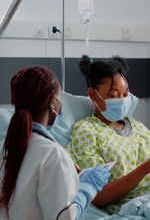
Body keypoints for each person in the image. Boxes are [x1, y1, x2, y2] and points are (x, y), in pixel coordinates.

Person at [0, 66, 110, 220]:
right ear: (53, 103)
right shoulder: (53, 156)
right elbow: (65, 217)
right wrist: (88, 188)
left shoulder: (3, 148)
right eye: (61, 98)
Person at [66, 55, 150, 215]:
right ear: (92, 95)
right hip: (133, 209)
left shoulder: (139, 128)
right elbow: (99, 195)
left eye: (125, 94)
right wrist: (144, 169)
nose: (122, 100)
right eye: (113, 95)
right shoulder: (86, 131)